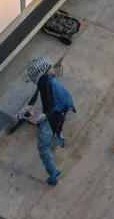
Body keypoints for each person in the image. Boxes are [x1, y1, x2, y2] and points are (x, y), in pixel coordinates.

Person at [25, 57, 76, 185]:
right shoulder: (50, 81)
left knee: (42, 147)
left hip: (54, 117)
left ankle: (53, 174)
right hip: (60, 114)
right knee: (54, 129)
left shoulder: (47, 84)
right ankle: (58, 137)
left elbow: (49, 110)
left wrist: (38, 118)